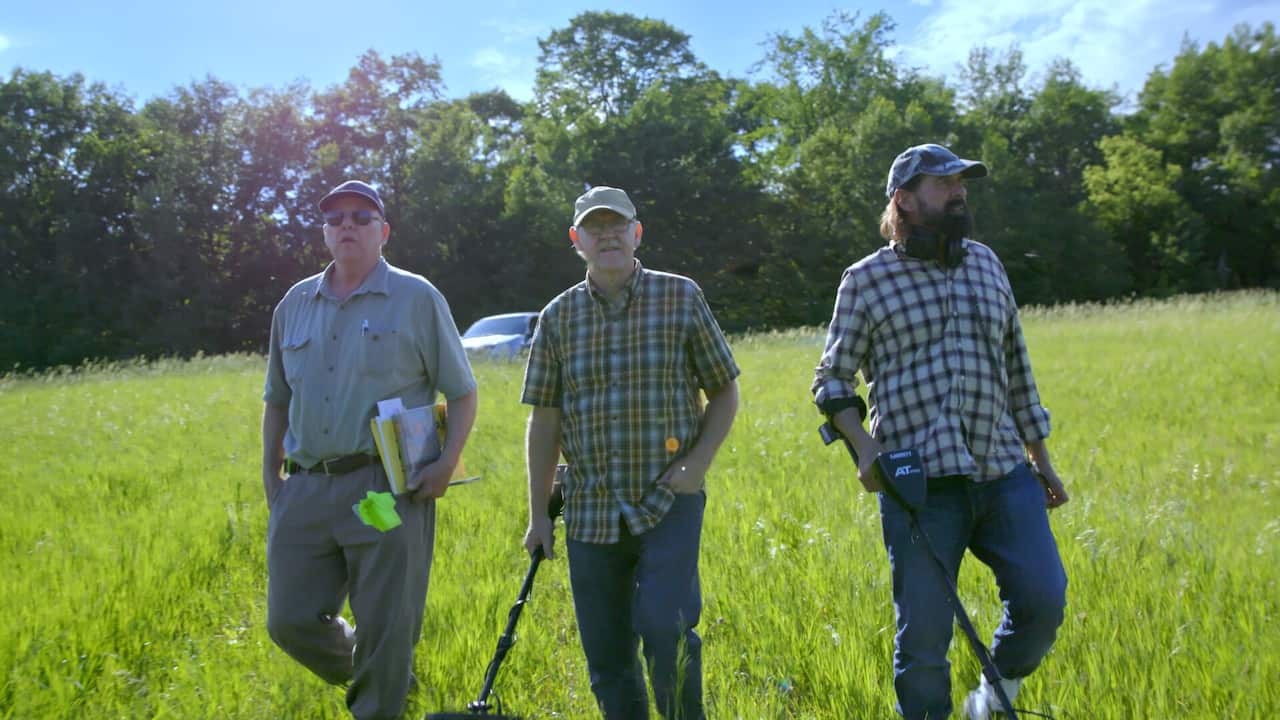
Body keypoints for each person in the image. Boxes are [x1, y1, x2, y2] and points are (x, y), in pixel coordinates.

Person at [811, 145, 1070, 720]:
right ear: (904, 199)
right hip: (920, 487)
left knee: (1044, 600)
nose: (959, 191)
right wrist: (865, 449)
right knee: (924, 642)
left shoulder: (987, 263)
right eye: (944, 183)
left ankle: (992, 699)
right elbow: (831, 379)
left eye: (962, 182)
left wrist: (1041, 457)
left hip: (1003, 471)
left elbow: (1017, 364)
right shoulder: (866, 280)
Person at [262, 180, 478, 720]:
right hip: (305, 487)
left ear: (384, 231)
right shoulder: (294, 304)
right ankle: (388, 676)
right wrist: (271, 478)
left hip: (385, 488)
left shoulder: (416, 297)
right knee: (288, 620)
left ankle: (383, 692)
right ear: (324, 233)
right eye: (335, 218)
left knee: (386, 622)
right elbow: (277, 400)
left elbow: (462, 392)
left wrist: (445, 463)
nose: (347, 226)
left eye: (361, 217)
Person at [522, 186, 740, 720]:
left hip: (668, 499)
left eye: (617, 225)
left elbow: (725, 390)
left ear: (636, 233)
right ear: (576, 240)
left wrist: (696, 465)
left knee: (666, 629)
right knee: (607, 655)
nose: (607, 236)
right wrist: (538, 516)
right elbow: (544, 420)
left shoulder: (680, 297)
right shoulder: (557, 317)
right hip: (591, 509)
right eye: (594, 228)